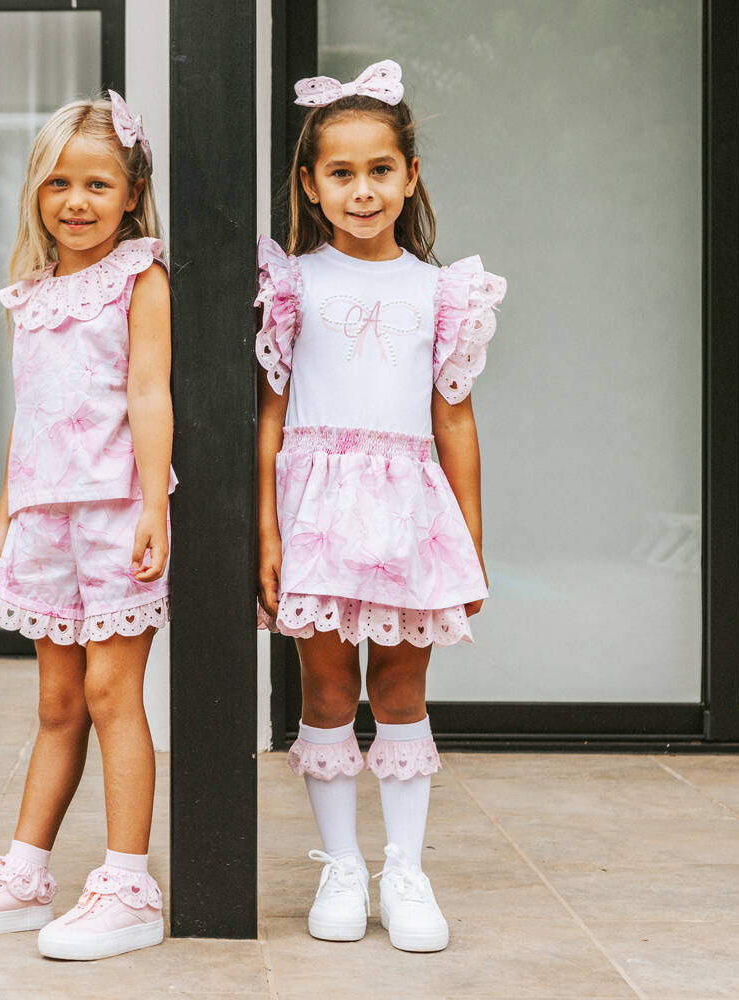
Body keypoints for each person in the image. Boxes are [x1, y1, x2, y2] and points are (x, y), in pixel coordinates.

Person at [256, 59, 506, 952]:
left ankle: (405, 867)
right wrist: (266, 528)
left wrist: (470, 537)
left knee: (399, 688)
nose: (362, 190)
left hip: (408, 510)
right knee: (325, 686)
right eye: (341, 172)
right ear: (311, 185)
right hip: (315, 506)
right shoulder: (292, 283)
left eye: (380, 171)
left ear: (409, 178)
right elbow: (272, 414)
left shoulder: (442, 292)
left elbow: (455, 416)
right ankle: (342, 866)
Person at [0, 92, 175, 962]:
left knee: (112, 696)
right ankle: (27, 874)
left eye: (98, 183)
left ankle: (129, 885)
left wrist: (152, 503)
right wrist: (4, 514)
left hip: (112, 515)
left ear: (132, 191)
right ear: (36, 192)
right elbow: (27, 416)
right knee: (58, 701)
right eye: (59, 183)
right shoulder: (30, 292)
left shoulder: (142, 278)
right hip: (43, 517)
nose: (77, 200)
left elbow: (149, 394)